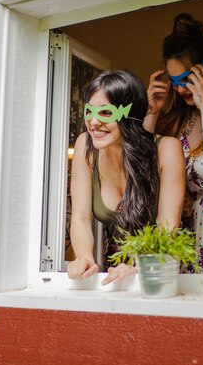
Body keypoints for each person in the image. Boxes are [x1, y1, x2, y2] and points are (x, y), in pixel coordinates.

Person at [67, 70, 185, 285]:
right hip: (114, 271)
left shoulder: (167, 149)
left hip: (160, 268)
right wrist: (84, 258)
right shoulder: (86, 146)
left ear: (129, 113)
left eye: (105, 113)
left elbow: (167, 227)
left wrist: (137, 267)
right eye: (89, 112)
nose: (93, 122)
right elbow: (81, 217)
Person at [145, 13, 203, 274]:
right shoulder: (180, 120)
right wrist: (152, 113)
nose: (181, 88)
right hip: (185, 236)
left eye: (187, 78)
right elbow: (141, 168)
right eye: (174, 82)